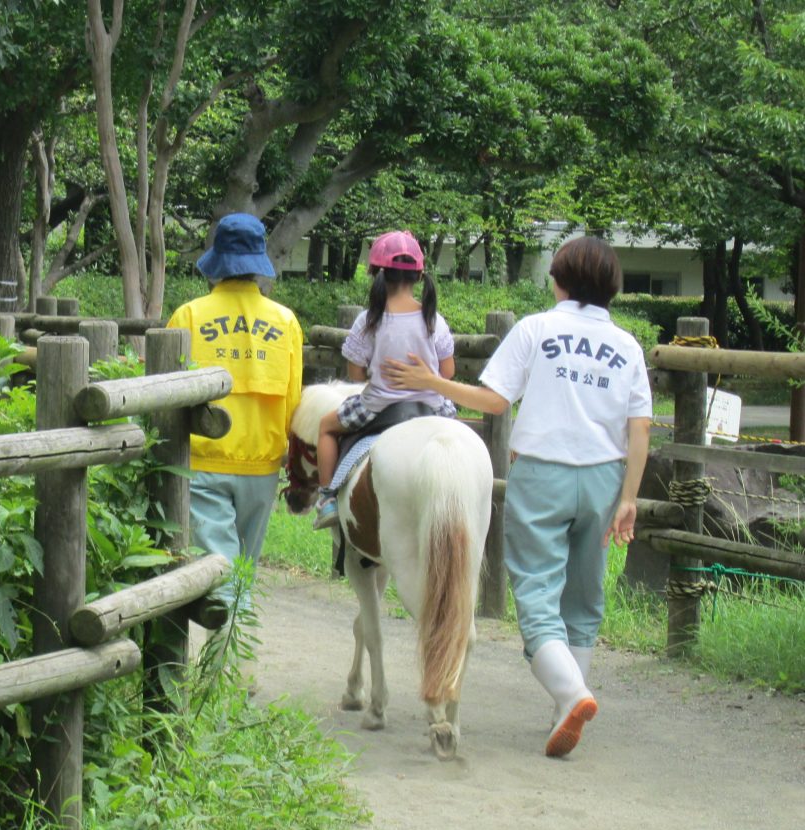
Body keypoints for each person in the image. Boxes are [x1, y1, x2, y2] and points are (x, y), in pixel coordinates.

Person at [381, 235, 651, 758]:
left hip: (543, 475)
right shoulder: (627, 345)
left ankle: (572, 693)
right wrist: (629, 498)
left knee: (535, 595)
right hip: (603, 478)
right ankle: (563, 711)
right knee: (584, 596)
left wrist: (430, 380)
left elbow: (495, 401)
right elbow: (640, 427)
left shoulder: (537, 329)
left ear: (560, 279)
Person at [167, 213, 304, 607]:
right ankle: (229, 658)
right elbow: (294, 399)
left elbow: (167, 391)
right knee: (242, 571)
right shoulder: (286, 322)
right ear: (258, 267)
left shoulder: (189, 315)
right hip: (262, 466)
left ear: (218, 263)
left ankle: (223, 661)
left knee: (219, 570)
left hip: (203, 460)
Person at [311, 230, 457, 530]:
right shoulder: (434, 319)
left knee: (326, 426)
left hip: (379, 407)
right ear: (419, 277)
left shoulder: (368, 320)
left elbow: (355, 375)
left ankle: (326, 498)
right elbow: (449, 373)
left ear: (376, 275)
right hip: (432, 407)